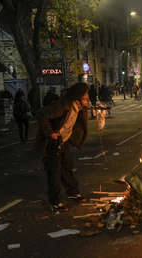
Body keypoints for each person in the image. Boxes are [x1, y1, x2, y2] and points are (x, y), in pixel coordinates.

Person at [35, 82, 90, 212]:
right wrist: (50, 133)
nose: (88, 98)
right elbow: (41, 114)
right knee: (54, 172)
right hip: (52, 143)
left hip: (63, 141)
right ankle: (55, 201)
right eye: (85, 96)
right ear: (77, 97)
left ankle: (73, 192)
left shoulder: (79, 108)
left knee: (67, 167)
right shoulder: (62, 106)